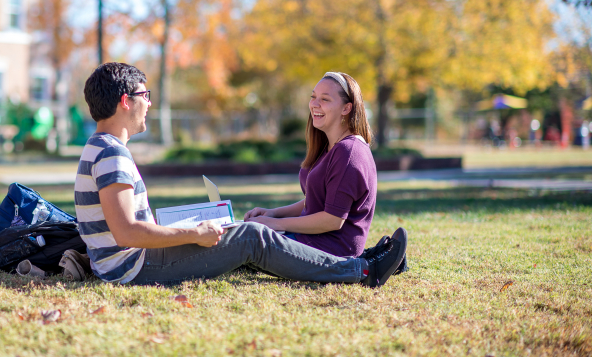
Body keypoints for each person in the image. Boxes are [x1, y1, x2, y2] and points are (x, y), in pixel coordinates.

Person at [73, 63, 407, 287]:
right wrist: (193, 233)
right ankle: (363, 270)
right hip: (132, 268)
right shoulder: (112, 153)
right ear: (125, 102)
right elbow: (128, 232)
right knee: (251, 237)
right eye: (145, 96)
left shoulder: (100, 147)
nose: (150, 103)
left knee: (243, 233)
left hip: (128, 263)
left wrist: (192, 228)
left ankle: (362, 260)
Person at [244, 72, 376, 258]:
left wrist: (277, 224)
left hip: (332, 251)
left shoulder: (349, 152)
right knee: (241, 234)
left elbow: (332, 220)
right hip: (311, 240)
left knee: (245, 238)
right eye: (313, 97)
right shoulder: (330, 147)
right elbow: (317, 201)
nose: (315, 104)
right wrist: (273, 214)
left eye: (325, 99)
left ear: (346, 108)